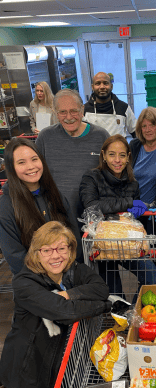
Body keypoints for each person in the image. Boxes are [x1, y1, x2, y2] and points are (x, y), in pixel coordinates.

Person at [0, 221, 110, 388]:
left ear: (70, 249)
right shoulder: (24, 283)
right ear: (37, 253)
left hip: (55, 356)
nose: (56, 256)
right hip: (30, 362)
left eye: (61, 248)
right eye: (47, 250)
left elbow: (101, 288)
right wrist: (105, 306)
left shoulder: (74, 269)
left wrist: (69, 294)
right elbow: (66, 312)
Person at [79, 134, 156, 300]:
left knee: (151, 275)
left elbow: (133, 219)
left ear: (128, 157)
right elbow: (91, 206)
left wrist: (138, 215)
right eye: (112, 154)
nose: (117, 160)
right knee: (114, 292)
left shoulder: (132, 183)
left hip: (125, 242)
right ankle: (121, 317)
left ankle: (133, 313)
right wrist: (129, 203)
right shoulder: (91, 177)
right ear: (103, 156)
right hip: (101, 245)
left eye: (122, 155)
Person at [0, 137, 82, 275]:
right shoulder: (6, 206)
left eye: (34, 159)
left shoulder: (55, 194)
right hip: (33, 282)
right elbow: (15, 256)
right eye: (21, 162)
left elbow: (72, 235)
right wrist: (48, 278)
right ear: (11, 168)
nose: (31, 166)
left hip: (66, 274)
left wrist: (70, 268)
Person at [36, 88, 109, 221]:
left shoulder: (101, 136)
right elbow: (35, 174)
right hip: (57, 216)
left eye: (74, 111)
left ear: (82, 110)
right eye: (62, 112)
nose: (69, 117)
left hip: (95, 216)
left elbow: (113, 175)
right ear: (55, 113)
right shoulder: (44, 138)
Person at [130, 107, 156, 206]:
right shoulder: (134, 146)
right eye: (144, 126)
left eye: (152, 125)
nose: (148, 130)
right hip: (133, 205)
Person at [84, 72, 136, 138]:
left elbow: (136, 132)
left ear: (111, 86)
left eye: (106, 83)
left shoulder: (124, 108)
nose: (102, 87)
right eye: (98, 83)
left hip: (118, 148)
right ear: (92, 87)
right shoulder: (84, 110)